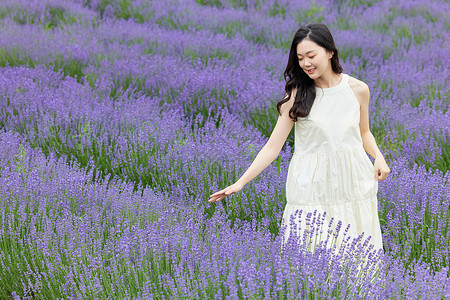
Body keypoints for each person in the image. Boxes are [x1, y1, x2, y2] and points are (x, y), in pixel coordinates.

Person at [208, 23, 390, 254]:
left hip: (352, 179)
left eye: (311, 55)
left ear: (330, 51)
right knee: (311, 251)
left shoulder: (358, 89)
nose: (306, 63)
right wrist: (240, 182)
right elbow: (273, 147)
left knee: (356, 252)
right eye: (300, 57)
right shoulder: (297, 95)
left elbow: (363, 132)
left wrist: (379, 157)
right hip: (312, 183)